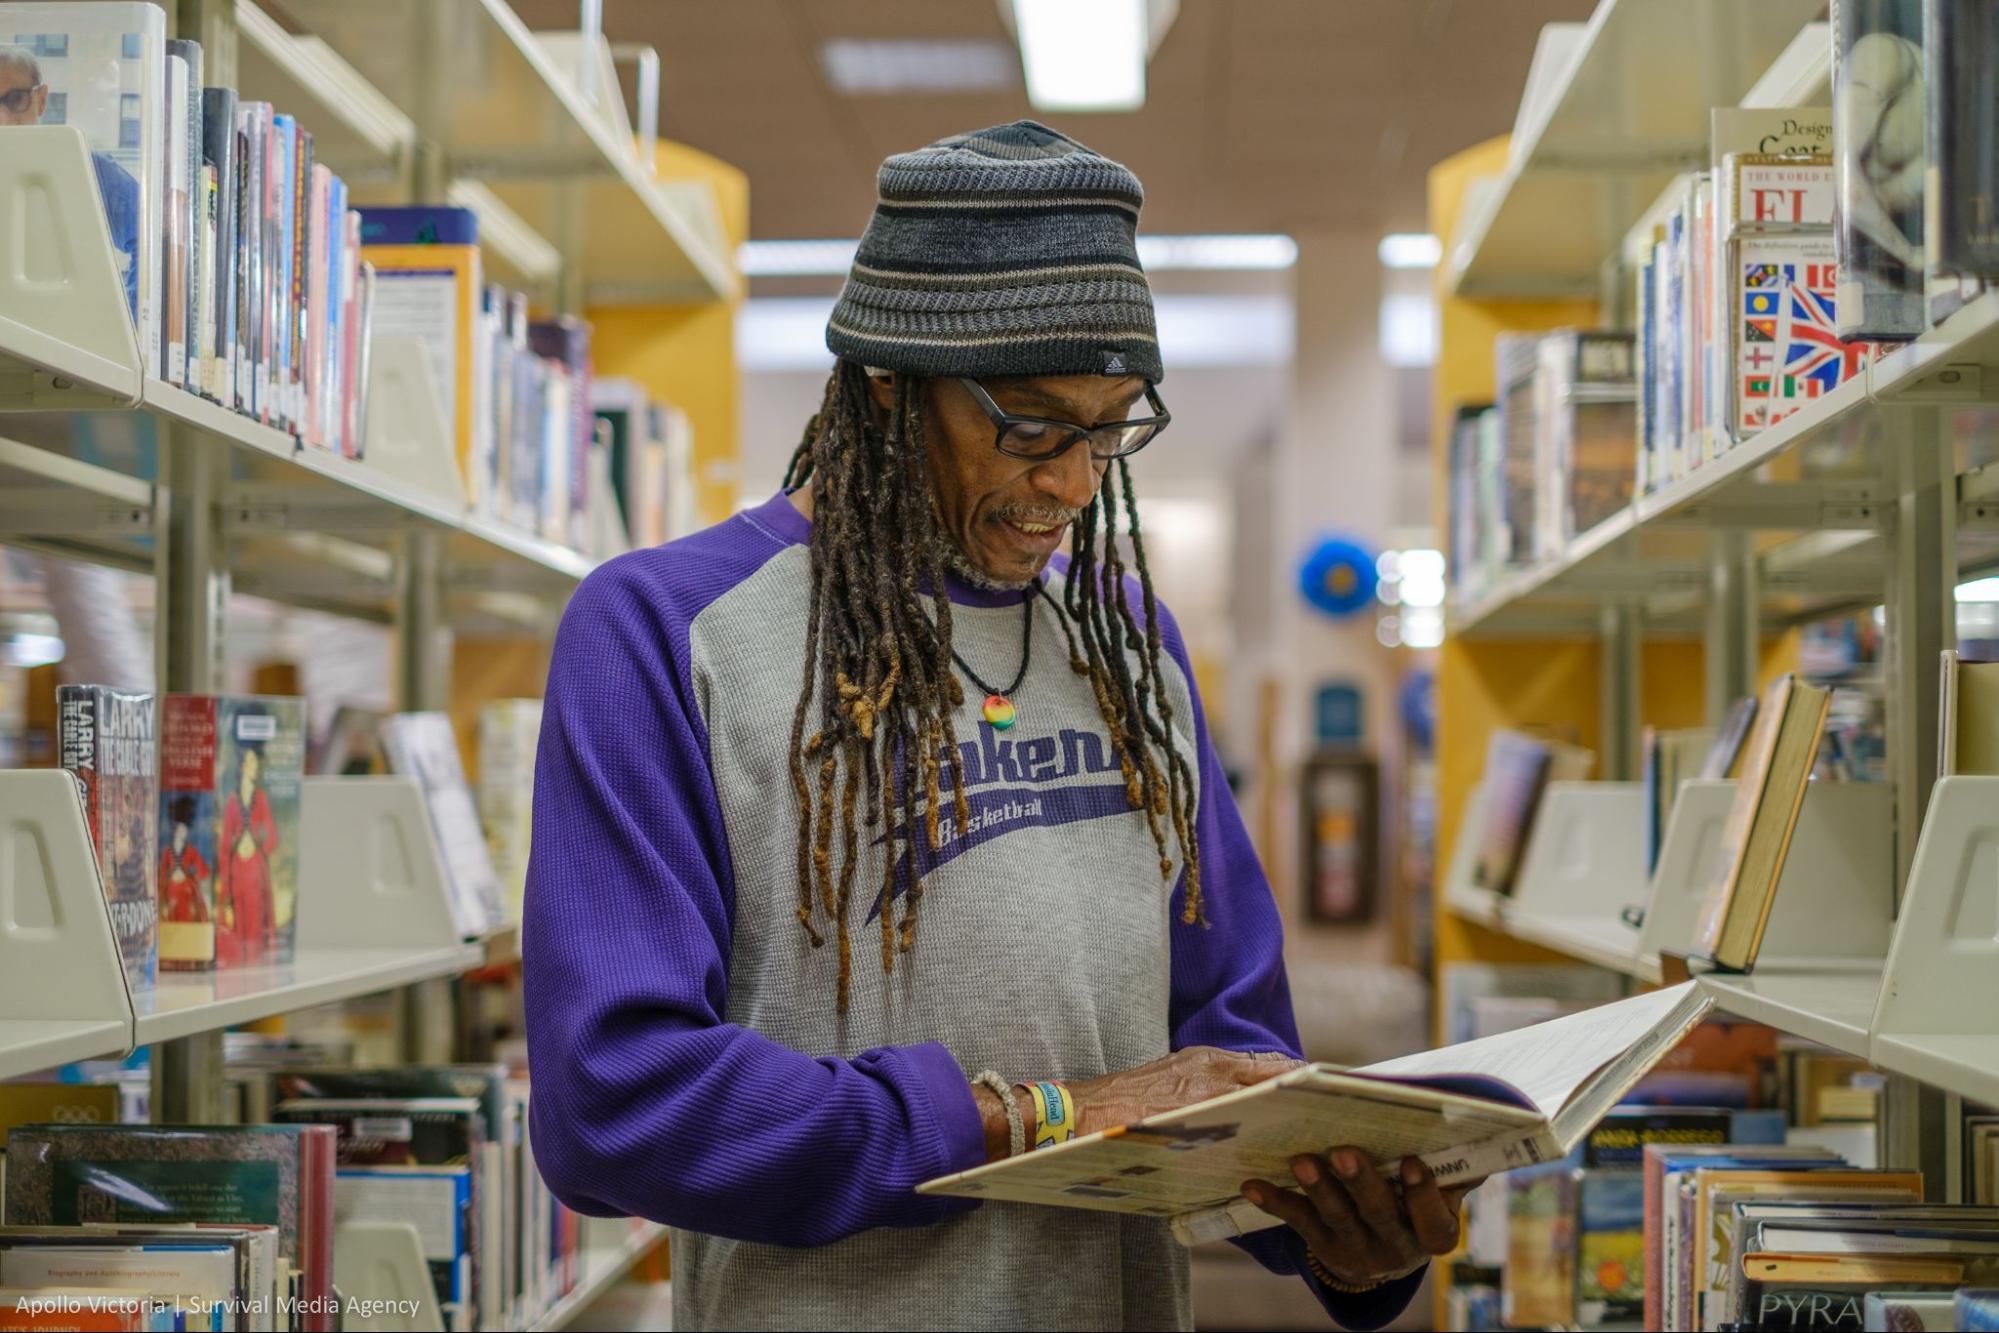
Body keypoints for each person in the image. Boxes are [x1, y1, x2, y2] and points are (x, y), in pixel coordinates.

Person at [523, 121, 1459, 1331]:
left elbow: (1227, 1042)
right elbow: (616, 1101)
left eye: (1113, 423)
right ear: (881, 384)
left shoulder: (1130, 646)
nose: (1075, 482)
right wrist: (1041, 1116)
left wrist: (1346, 1233)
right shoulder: (664, 632)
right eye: (1032, 423)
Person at [0, 44, 142, 318]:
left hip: (63, 342)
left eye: (16, 100)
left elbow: (151, 234)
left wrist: (128, 325)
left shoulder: (85, 168)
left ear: (41, 99)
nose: (3, 119)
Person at [218, 742, 276, 966]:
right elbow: (224, 845)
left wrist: (257, 839)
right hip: (236, 869)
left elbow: (271, 837)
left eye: (255, 763)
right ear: (242, 766)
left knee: (254, 920)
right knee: (238, 919)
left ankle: (253, 963)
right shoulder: (232, 802)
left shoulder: (260, 799)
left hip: (254, 866)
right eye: (250, 763)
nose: (254, 767)